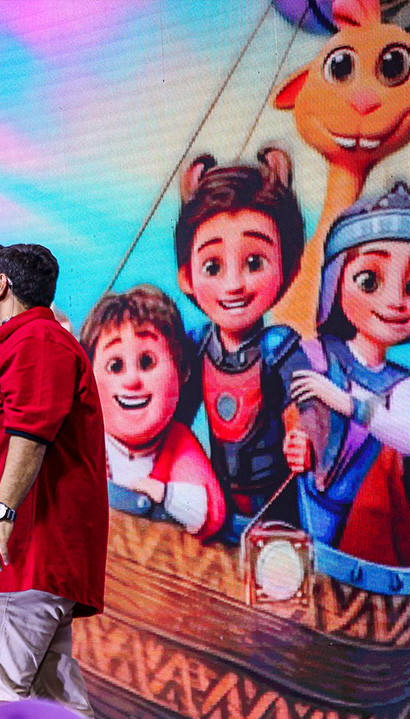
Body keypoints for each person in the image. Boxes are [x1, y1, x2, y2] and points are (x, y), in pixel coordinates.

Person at [0, 243, 108, 718]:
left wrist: (0, 514)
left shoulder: (38, 341)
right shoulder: (19, 346)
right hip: (22, 562)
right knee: (56, 709)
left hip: (20, 558)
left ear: (1, 285)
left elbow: (32, 434)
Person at [284, 181, 410, 566]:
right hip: (306, 501)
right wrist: (296, 441)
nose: (395, 301)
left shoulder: (400, 382)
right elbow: (292, 415)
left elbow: (408, 440)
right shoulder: (315, 354)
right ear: (336, 281)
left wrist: (346, 402)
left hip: (366, 514)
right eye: (370, 281)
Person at [174, 147, 311, 542]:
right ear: (187, 277)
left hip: (280, 509)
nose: (233, 285)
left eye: (254, 263)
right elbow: (176, 416)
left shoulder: (280, 350)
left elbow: (305, 407)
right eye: (213, 266)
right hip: (218, 504)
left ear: (289, 268)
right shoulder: (197, 346)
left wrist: (304, 437)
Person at [80, 285, 225, 538]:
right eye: (115, 366)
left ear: (182, 372)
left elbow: (209, 511)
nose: (132, 380)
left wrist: (164, 493)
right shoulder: (85, 437)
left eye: (147, 362)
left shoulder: (177, 444)